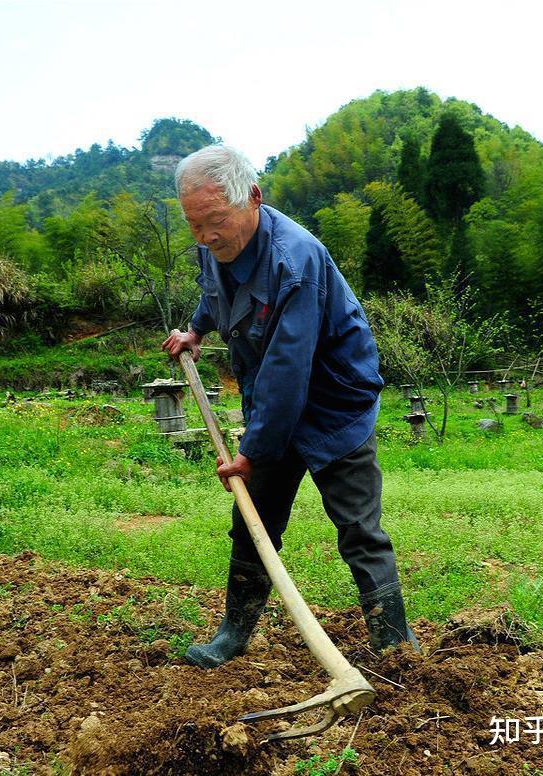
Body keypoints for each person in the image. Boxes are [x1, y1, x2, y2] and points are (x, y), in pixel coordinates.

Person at [162, 145, 418, 669]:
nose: (206, 237)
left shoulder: (294, 260)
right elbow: (215, 294)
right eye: (194, 226)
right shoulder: (215, 247)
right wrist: (196, 331)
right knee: (252, 520)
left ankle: (395, 648)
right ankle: (233, 634)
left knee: (358, 527)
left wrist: (251, 452)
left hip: (332, 406)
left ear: (253, 198)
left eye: (215, 222)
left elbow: (287, 370)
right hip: (273, 404)